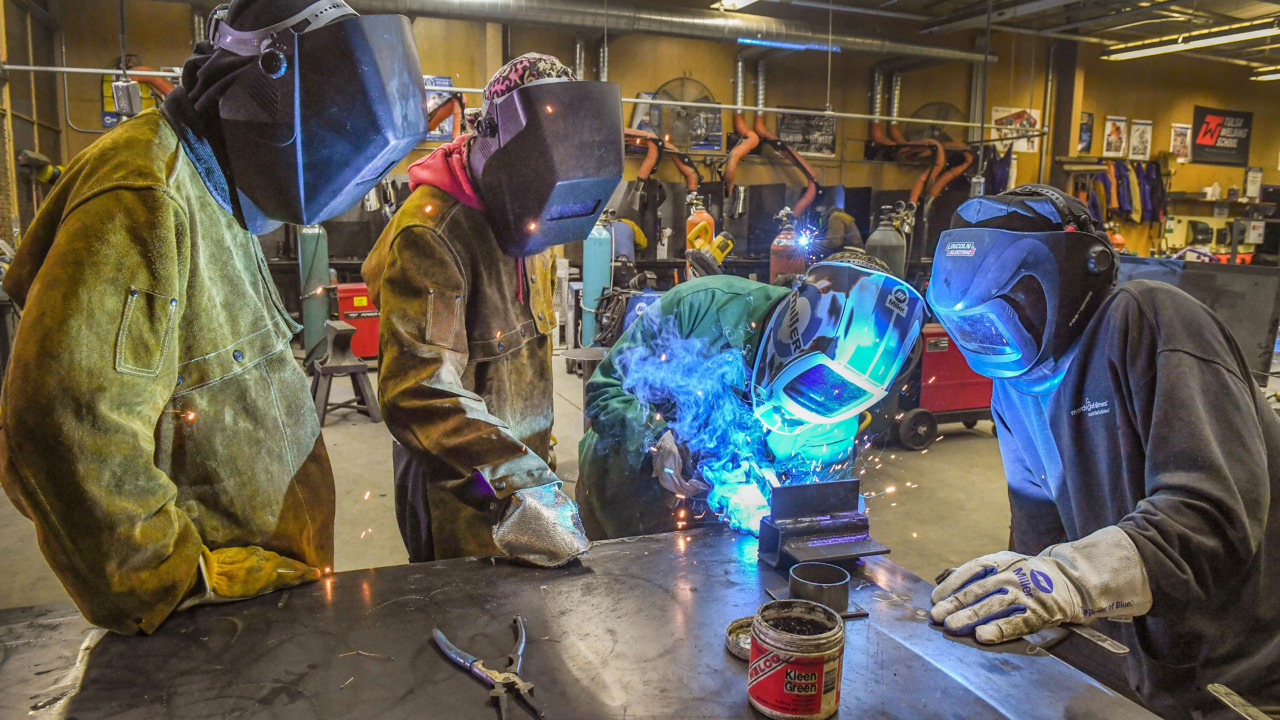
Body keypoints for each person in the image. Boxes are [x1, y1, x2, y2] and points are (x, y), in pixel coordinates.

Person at [0, 0, 428, 634]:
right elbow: (61, 423)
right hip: (200, 629)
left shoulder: (218, 183)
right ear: (267, 89)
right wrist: (174, 580)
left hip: (259, 610)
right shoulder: (144, 193)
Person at [926, 185, 1280, 718]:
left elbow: (1211, 519)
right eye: (968, 324)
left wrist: (1067, 578)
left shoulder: (1150, 319)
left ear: (1071, 276)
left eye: (1002, 313)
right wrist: (1025, 583)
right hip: (1150, 668)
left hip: (1245, 675)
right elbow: (1040, 531)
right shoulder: (1014, 384)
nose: (990, 338)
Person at [364, 53, 622, 566]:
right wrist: (517, 485)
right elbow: (418, 391)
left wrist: (539, 475)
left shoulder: (533, 213)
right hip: (465, 494)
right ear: (494, 141)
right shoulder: (432, 236)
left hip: (527, 479)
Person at [577, 250, 925, 539]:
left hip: (708, 530)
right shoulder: (698, 308)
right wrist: (655, 442)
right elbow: (604, 391)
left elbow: (818, 502)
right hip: (621, 497)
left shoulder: (841, 406)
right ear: (792, 331)